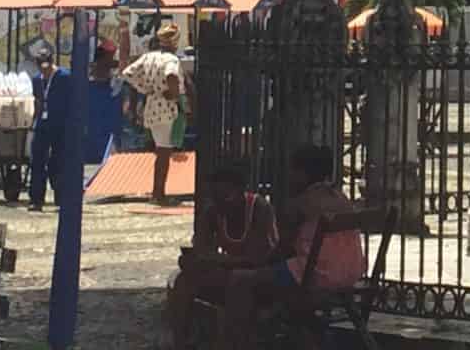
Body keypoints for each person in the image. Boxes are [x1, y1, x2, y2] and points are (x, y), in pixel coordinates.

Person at [212, 145, 365, 350]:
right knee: (269, 284)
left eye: (293, 171)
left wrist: (256, 266)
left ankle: (234, 344)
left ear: (303, 173)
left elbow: (281, 250)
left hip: (314, 276)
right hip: (350, 274)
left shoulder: (301, 204)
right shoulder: (341, 199)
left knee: (240, 280)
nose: (289, 176)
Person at [165, 162, 276, 350]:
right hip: (230, 273)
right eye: (216, 197)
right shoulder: (213, 211)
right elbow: (201, 249)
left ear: (241, 191)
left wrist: (216, 260)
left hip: (261, 277)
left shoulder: (259, 209)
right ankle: (180, 341)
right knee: (183, 280)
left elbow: (258, 258)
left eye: (226, 196)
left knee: (237, 282)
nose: (221, 202)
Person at [121, 27, 186, 206]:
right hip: (165, 106)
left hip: (151, 104)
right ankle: (159, 193)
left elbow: (128, 73)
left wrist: (144, 88)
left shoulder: (149, 57)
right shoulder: (171, 59)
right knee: (164, 152)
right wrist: (173, 93)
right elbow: (172, 76)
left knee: (161, 149)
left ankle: (158, 191)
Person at [28, 50, 71, 213]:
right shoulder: (36, 80)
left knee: (57, 162)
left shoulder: (64, 77)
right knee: (37, 160)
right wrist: (33, 121)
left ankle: (60, 197)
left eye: (46, 67)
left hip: (60, 124)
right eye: (41, 67)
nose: (44, 71)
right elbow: (38, 101)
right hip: (42, 124)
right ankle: (36, 199)